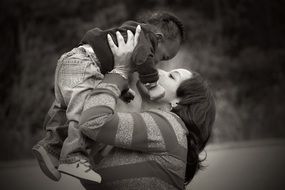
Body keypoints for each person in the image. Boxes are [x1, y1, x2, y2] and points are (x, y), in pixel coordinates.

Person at [32, 11, 185, 182]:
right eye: (163, 57)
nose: (158, 64)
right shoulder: (146, 39)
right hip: (85, 64)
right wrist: (152, 82)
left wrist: (123, 89)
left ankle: (50, 147)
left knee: (63, 109)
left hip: (71, 61)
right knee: (81, 113)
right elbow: (141, 59)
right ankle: (73, 156)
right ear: (159, 37)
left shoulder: (132, 33)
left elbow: (115, 64)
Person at [78, 25, 216, 189]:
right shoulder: (141, 132)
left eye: (172, 76)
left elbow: (93, 121)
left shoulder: (171, 128)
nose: (159, 72)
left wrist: (119, 71)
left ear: (177, 103)